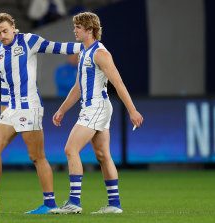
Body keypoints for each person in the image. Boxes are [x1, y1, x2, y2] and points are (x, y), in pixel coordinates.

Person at [0, 12, 82, 215]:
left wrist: (87, 46)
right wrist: (3, 111)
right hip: (11, 109)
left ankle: (50, 204)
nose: (3, 35)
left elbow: (58, 48)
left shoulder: (28, 40)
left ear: (13, 28)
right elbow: (4, 82)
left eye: (5, 31)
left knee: (37, 156)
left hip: (30, 107)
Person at [50, 12, 144, 214]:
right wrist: (62, 110)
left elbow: (118, 83)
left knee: (70, 149)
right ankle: (114, 204)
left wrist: (132, 110)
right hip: (93, 107)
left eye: (78, 27)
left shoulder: (100, 53)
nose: (74, 30)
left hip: (96, 107)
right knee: (103, 155)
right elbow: (77, 87)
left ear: (90, 29)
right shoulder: (84, 52)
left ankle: (74, 202)